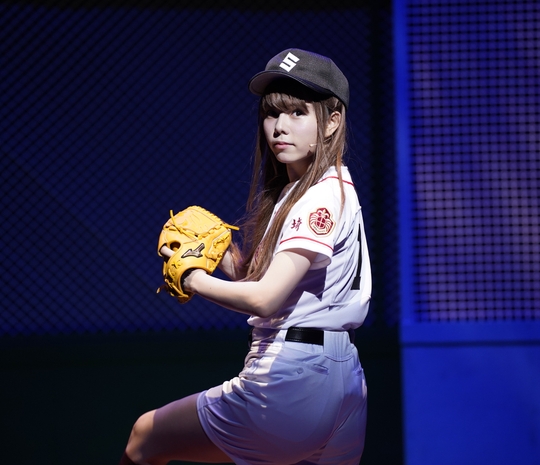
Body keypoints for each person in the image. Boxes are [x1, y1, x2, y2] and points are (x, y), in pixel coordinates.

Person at [119, 48, 372, 465]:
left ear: (332, 121)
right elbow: (278, 284)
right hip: (344, 385)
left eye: (297, 112)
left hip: (292, 379)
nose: (280, 126)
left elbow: (265, 299)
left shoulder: (318, 197)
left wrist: (192, 277)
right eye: (272, 113)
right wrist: (222, 255)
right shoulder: (330, 186)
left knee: (144, 437)